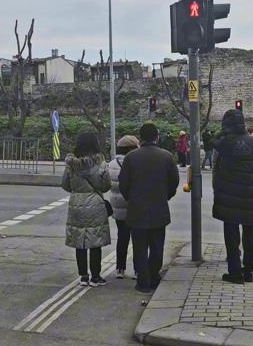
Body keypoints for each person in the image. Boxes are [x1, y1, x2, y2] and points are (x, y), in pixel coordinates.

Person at [119, 123, 180, 293]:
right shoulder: (166, 157)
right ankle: (154, 276)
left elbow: (123, 184)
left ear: (140, 138)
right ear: (157, 137)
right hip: (159, 208)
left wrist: (131, 198)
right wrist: (165, 196)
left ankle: (143, 281)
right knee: (156, 246)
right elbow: (174, 181)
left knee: (139, 247)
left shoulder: (131, 157)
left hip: (137, 209)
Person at [212, 109, 253, 284]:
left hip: (229, 196)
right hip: (251, 195)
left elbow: (211, 142)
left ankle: (235, 272)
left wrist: (223, 131)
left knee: (231, 234)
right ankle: (249, 271)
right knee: (250, 235)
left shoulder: (225, 143)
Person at [61, 133, 112, 287]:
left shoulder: (71, 164)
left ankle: (83, 276)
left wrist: (77, 191)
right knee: (95, 241)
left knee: (79, 241)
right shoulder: (101, 163)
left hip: (76, 205)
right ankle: (96, 276)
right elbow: (106, 186)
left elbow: (65, 185)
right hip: (95, 204)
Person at [108, 135, 140, 279]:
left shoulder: (112, 164)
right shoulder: (135, 161)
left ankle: (120, 269)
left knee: (122, 237)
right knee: (138, 238)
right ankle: (137, 269)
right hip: (134, 204)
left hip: (118, 205)